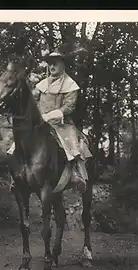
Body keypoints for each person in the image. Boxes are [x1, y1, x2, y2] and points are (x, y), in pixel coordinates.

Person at [32, 50, 92, 193]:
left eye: (55, 64)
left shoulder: (70, 84)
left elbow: (69, 106)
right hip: (40, 122)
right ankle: (17, 176)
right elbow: (33, 100)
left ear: (62, 65)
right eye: (50, 64)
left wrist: (53, 115)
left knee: (72, 142)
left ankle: (76, 174)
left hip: (61, 123)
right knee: (19, 141)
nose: (52, 67)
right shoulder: (42, 84)